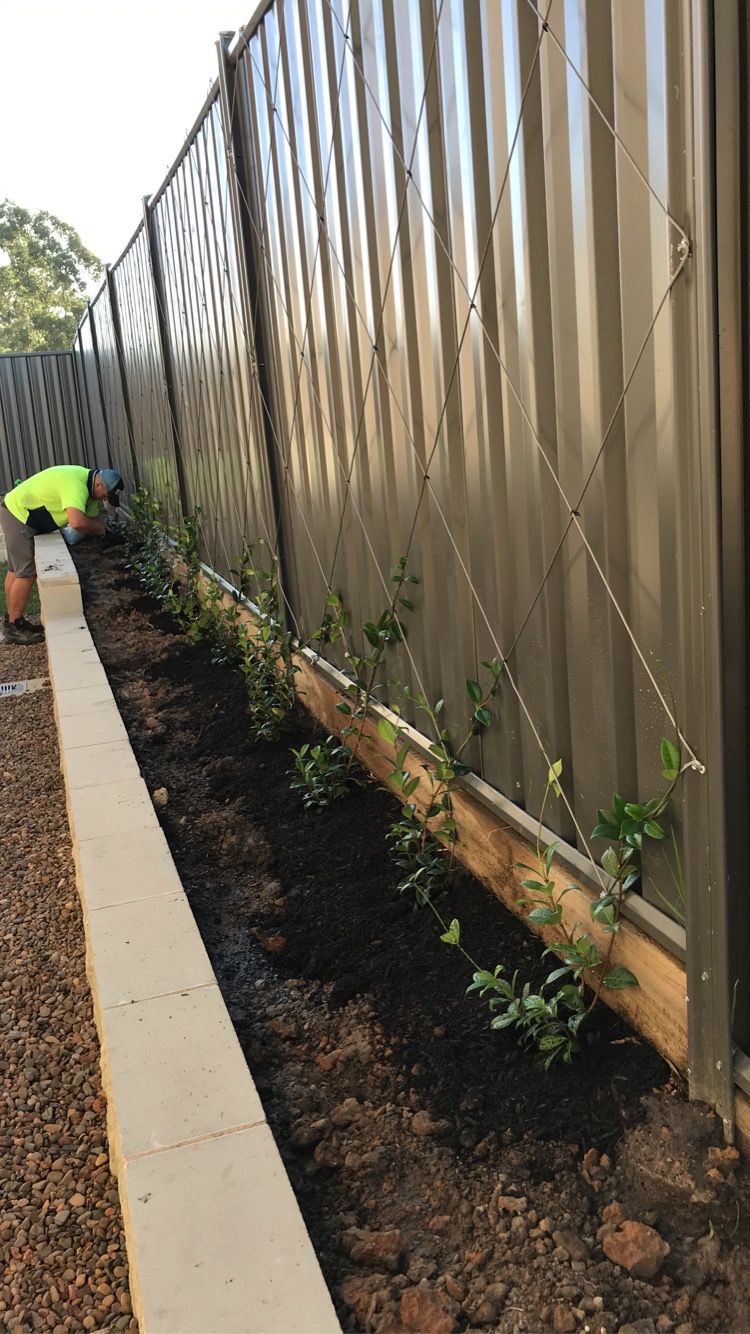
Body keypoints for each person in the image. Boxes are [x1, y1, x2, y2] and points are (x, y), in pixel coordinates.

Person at [1, 464, 124, 644]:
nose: (105, 499)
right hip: (18, 514)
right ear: (99, 484)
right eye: (106, 495)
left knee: (15, 571)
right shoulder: (76, 484)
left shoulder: (90, 493)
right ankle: (14, 627)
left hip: (17, 510)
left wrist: (106, 532)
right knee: (26, 573)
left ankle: (13, 619)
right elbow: (77, 522)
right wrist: (103, 531)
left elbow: (92, 521)